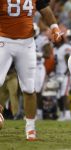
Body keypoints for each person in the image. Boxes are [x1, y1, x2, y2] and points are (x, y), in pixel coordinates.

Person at [0, 0, 62, 141]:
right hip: (3, 41)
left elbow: (45, 10)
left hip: (26, 43)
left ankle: (31, 129)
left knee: (29, 88)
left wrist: (54, 27)